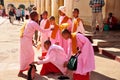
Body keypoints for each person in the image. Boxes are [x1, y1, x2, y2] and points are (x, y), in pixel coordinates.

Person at [18, 11, 51, 77]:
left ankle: (29, 68)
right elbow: (42, 30)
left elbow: (26, 31)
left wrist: (31, 39)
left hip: (25, 40)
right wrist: (50, 29)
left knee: (26, 55)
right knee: (30, 54)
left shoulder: (28, 21)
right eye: (37, 16)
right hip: (26, 40)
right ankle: (25, 69)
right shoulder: (33, 23)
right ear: (35, 16)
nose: (38, 17)